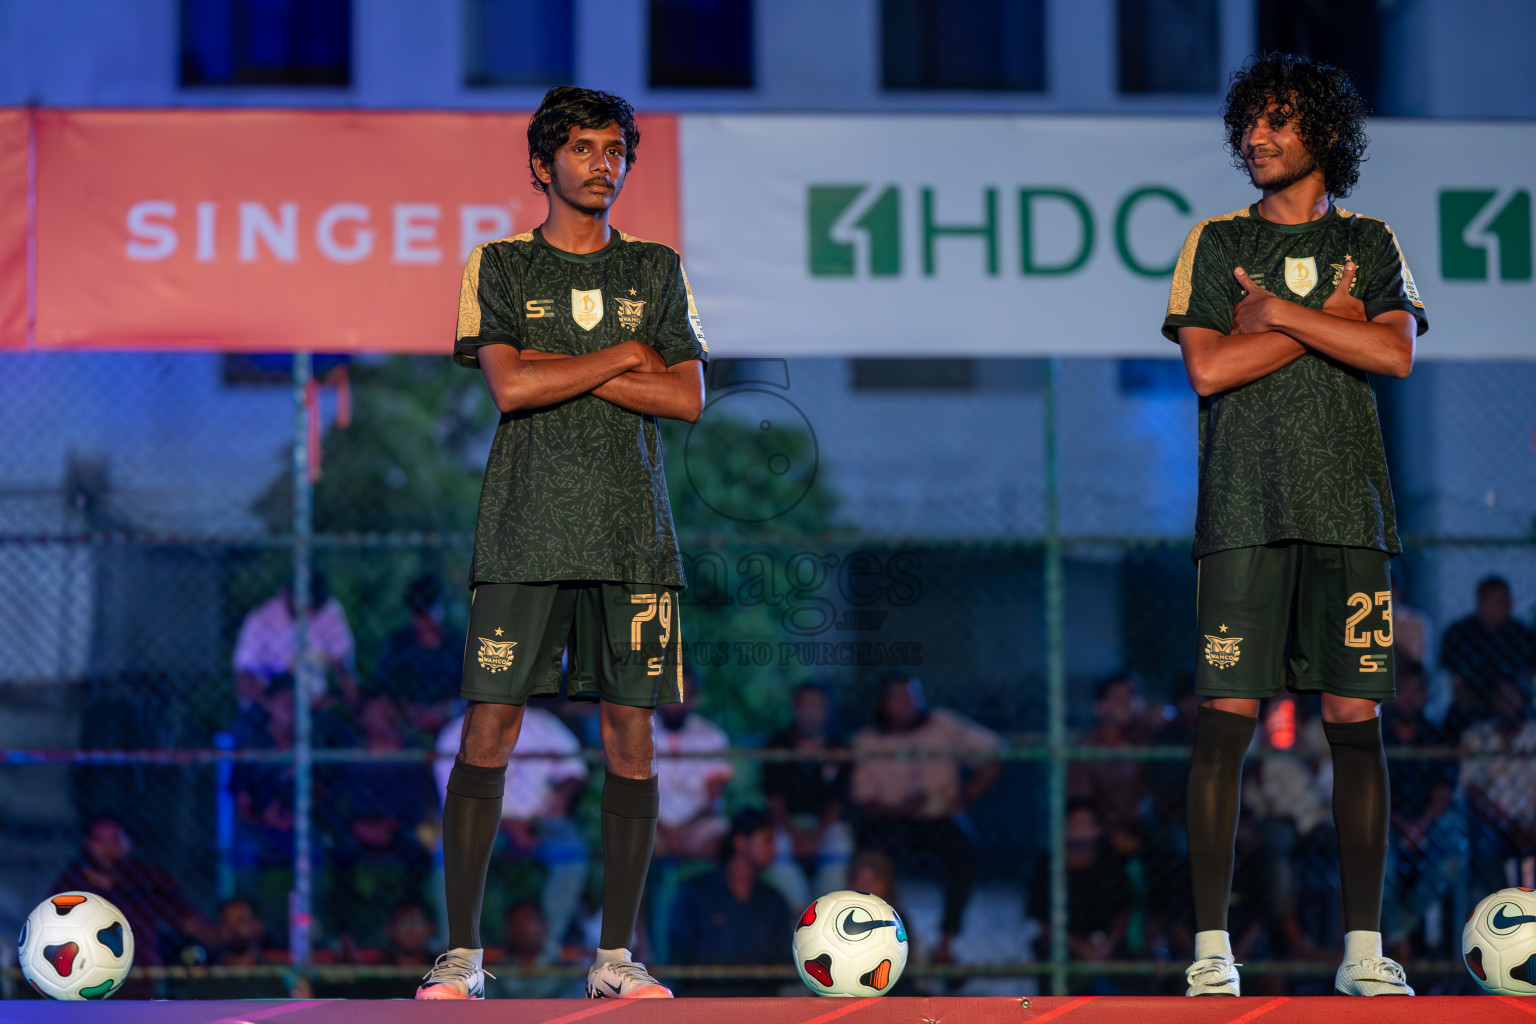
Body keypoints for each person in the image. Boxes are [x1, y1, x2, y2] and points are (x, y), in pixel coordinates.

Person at [416, 85, 707, 1002]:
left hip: (633, 540)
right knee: (490, 727)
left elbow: (688, 398)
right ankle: (462, 956)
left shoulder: (657, 269)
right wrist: (627, 356)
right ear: (544, 165)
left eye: (615, 149)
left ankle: (616, 958)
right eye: (582, 148)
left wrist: (565, 372)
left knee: (631, 738)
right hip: (524, 533)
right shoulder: (499, 266)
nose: (602, 162)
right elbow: (509, 388)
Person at [1164, 53, 1427, 996]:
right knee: (1224, 726)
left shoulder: (1375, 237)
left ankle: (1363, 954)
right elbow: (1208, 371)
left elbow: (1393, 354)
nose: (1255, 137)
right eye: (1250, 122)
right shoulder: (1212, 240)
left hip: (1347, 508)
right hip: (1241, 509)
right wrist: (1317, 317)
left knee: (1354, 726)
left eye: (1276, 121)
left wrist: (1272, 318)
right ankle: (1211, 954)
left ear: (1323, 134)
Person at [850, 672, 1004, 964]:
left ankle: (946, 944)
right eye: (897, 698)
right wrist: (902, 807)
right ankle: (889, 939)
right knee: (872, 857)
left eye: (912, 697)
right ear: (883, 703)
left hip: (939, 818)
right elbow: (865, 802)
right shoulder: (868, 741)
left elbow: (996, 751)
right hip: (890, 822)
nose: (906, 705)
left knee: (964, 850)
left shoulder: (944, 725)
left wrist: (964, 798)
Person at [434, 703, 590, 955]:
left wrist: (562, 798)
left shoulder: (542, 722)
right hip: (483, 825)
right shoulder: (457, 732)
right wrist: (508, 825)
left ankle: (546, 943)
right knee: (448, 848)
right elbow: (455, 803)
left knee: (571, 851)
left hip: (540, 822)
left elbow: (574, 770)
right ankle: (457, 948)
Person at [52, 815, 214, 969]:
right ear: (86, 842)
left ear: (129, 844)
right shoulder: (70, 886)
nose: (108, 848)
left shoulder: (145, 880)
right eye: (101, 841)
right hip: (89, 973)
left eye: (115, 840)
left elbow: (189, 921)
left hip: (142, 974)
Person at [665, 808, 792, 997]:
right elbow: (678, 958)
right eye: (767, 840)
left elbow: (783, 963)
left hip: (759, 1006)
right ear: (741, 842)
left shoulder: (774, 900)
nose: (774, 850)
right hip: (700, 1002)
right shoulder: (695, 892)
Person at [762, 681, 854, 911]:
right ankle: (799, 915)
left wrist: (816, 835)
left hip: (827, 825)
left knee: (840, 845)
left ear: (827, 710)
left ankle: (827, 915)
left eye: (817, 707)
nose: (811, 713)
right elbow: (774, 796)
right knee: (773, 847)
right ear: (795, 708)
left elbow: (840, 799)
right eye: (805, 706)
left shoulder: (840, 745)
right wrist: (793, 834)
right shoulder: (778, 743)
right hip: (787, 822)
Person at [233, 572, 357, 710]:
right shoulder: (260, 621)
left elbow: (343, 664)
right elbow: (245, 678)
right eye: (306, 604)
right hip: (271, 705)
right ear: (287, 594)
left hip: (317, 698)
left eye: (315, 606)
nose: (309, 612)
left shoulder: (329, 611)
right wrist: (275, 708)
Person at [652, 668, 734, 861]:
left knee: (720, 835)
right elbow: (633, 794)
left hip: (697, 824)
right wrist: (664, 829)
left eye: (682, 694)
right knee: (631, 836)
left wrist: (683, 829)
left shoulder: (711, 735)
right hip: (652, 825)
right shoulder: (637, 733)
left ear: (694, 697)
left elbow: (714, 797)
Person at [371, 572, 464, 742]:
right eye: (418, 613)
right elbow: (382, 688)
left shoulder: (458, 645)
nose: (423, 620)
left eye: (428, 612)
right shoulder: (398, 643)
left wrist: (443, 711)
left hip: (450, 723)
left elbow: (470, 697)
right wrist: (407, 711)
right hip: (405, 720)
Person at [1440, 576, 1536, 729]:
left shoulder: (1523, 636)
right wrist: (1489, 698)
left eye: (1500, 602)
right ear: (1479, 603)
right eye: (1489, 602)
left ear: (1509, 603)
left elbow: (1528, 681)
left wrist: (1510, 700)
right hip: (1471, 712)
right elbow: (1458, 686)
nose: (1493, 609)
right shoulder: (1460, 635)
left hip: (1516, 712)